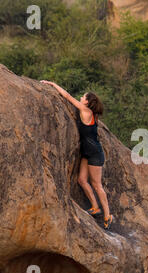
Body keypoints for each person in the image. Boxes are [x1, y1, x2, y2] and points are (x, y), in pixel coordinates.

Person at [40, 80, 114, 230]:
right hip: (86, 153)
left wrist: (52, 84)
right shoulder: (89, 112)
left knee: (97, 184)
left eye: (83, 97)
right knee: (81, 180)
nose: (80, 98)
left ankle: (108, 215)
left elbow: (67, 96)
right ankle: (95, 206)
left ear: (87, 102)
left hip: (94, 154)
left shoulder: (86, 111)